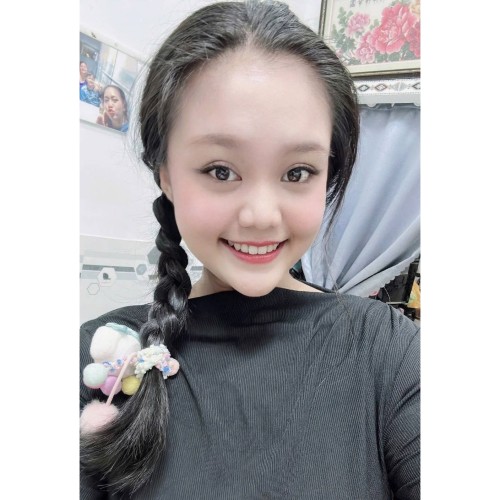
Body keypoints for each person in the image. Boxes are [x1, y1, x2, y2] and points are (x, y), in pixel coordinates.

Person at [80, 1, 420, 498]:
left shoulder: (386, 350)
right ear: (166, 173)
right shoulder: (100, 355)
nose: (261, 215)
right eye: (221, 171)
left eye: (297, 172)